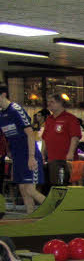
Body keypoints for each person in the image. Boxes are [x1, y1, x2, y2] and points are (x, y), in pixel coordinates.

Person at [0, 85, 47, 213]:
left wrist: (31, 157)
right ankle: (31, 217)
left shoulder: (16, 110)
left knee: (30, 190)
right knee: (23, 189)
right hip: (18, 157)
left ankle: (55, 213)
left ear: (3, 95)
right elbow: (9, 137)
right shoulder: (2, 114)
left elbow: (30, 133)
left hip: (29, 155)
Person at [41, 94, 81, 189]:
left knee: (64, 184)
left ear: (60, 103)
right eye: (48, 102)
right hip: (52, 158)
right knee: (53, 184)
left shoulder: (70, 118)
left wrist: (70, 153)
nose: (49, 104)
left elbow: (75, 137)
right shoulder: (49, 119)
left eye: (52, 102)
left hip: (65, 159)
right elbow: (45, 138)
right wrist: (42, 153)